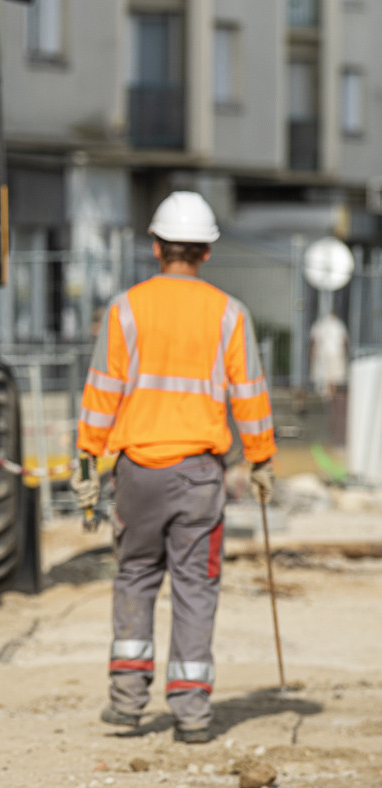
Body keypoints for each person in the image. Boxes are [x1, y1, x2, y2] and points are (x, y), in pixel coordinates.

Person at [70, 191, 277, 744]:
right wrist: (260, 458)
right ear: (207, 252)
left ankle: (127, 702)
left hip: (136, 471)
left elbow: (101, 393)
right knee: (195, 587)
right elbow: (251, 395)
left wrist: (88, 456)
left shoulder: (124, 309)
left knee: (134, 576)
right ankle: (190, 713)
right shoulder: (231, 313)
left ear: (156, 247)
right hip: (199, 475)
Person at [309, 310, 349, 401]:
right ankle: (329, 394)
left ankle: (330, 393)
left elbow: (314, 341)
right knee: (329, 375)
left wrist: (313, 353)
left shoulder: (321, 324)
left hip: (328, 353)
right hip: (332, 353)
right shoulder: (337, 324)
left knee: (330, 375)